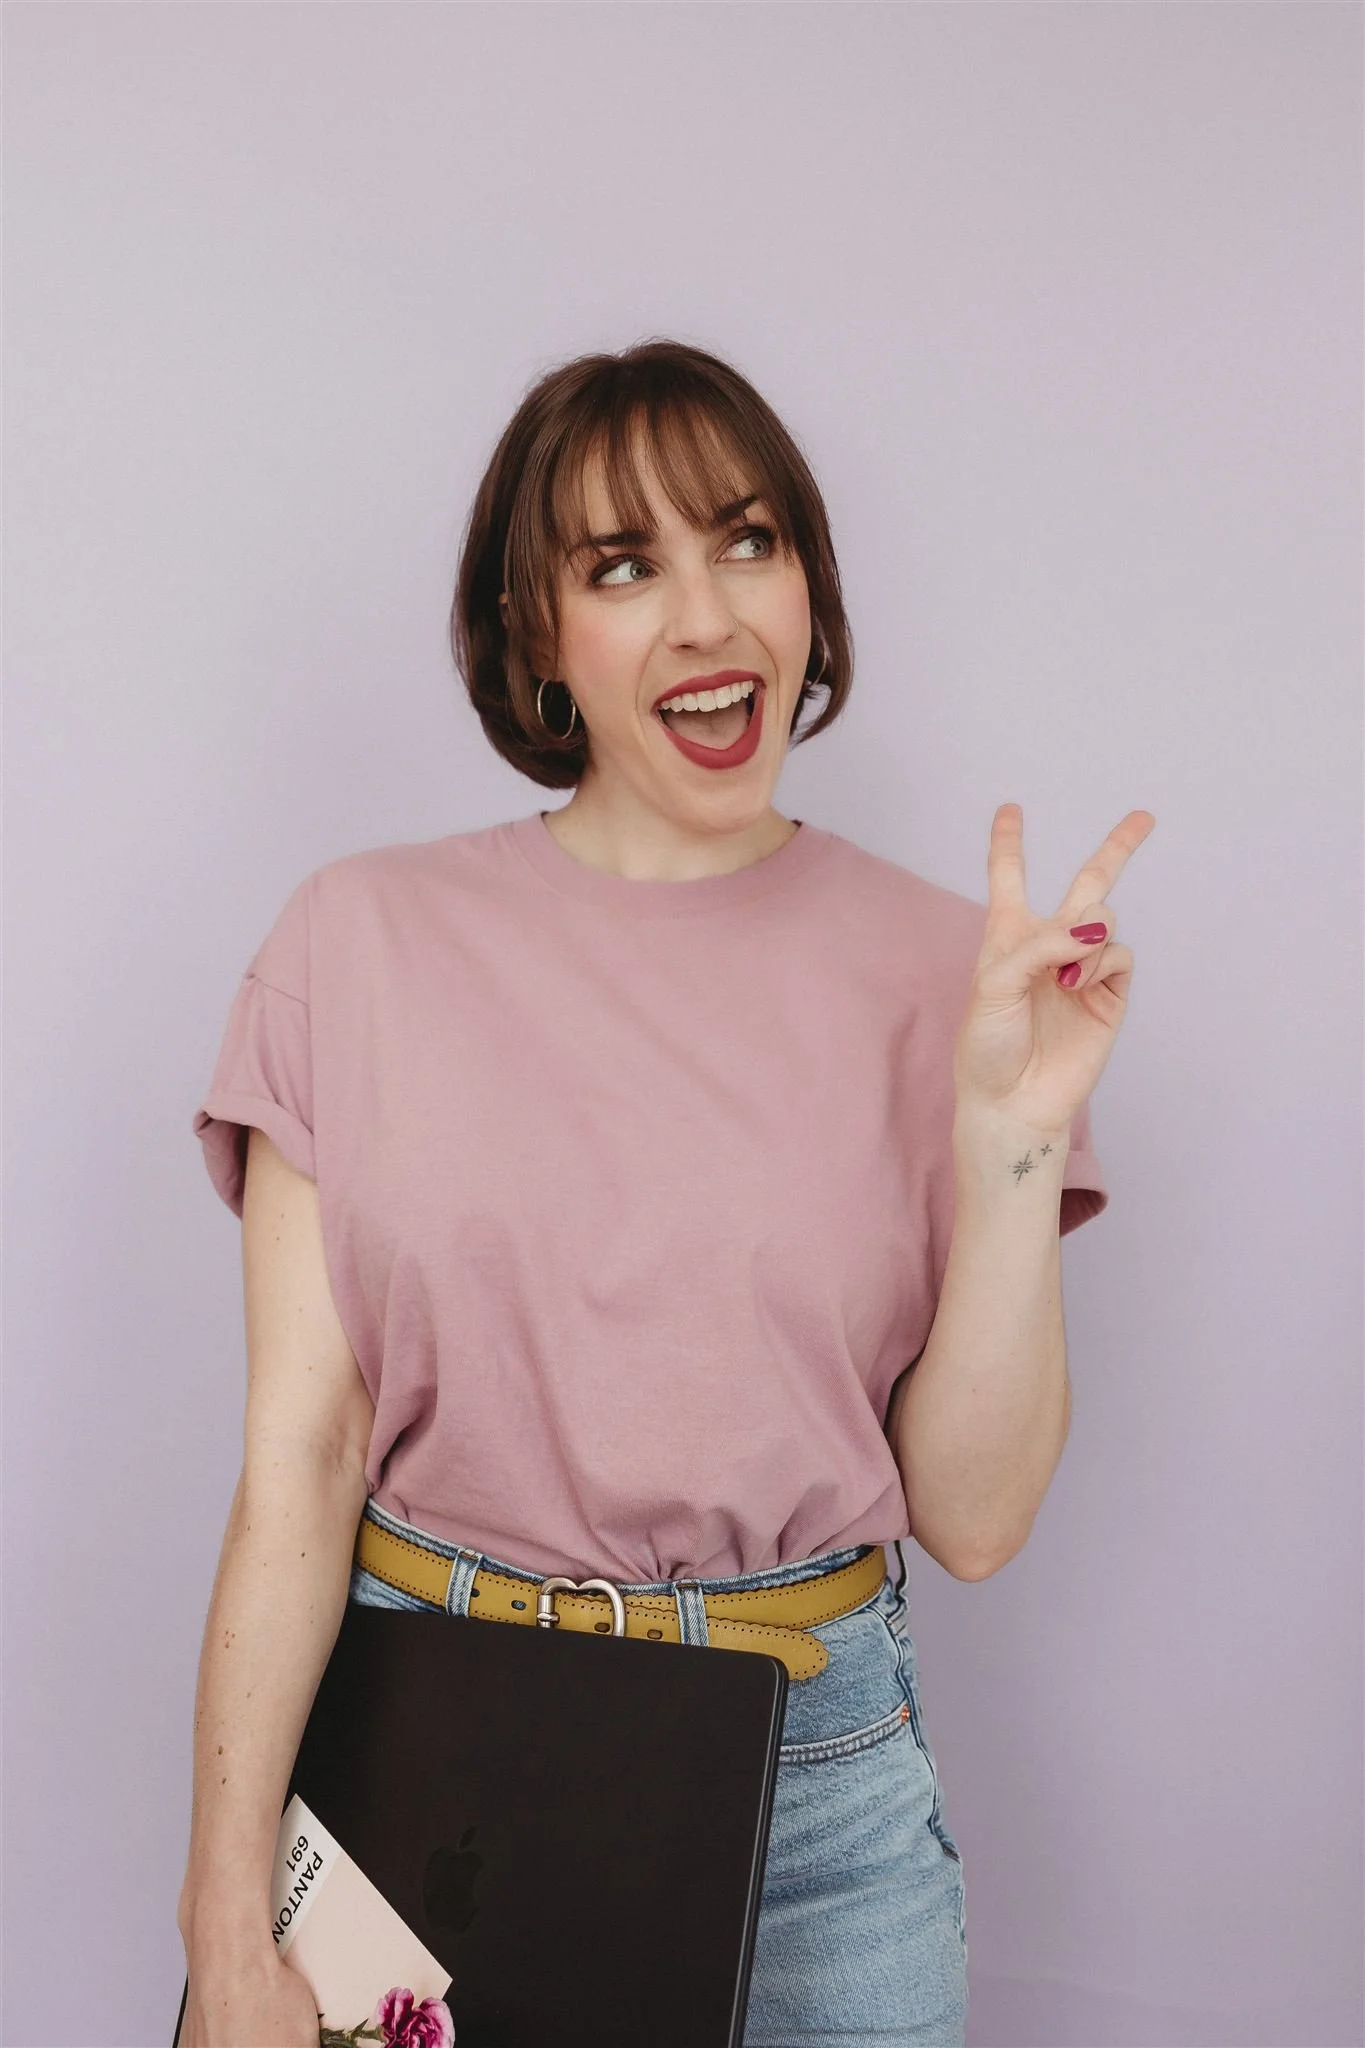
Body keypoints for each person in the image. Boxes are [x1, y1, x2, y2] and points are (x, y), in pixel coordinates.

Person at [175, 337, 1153, 2047]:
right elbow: (299, 1463)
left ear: (809, 592)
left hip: (819, 1792)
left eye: (747, 541)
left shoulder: (954, 978)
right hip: (434, 1761)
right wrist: (226, 1924)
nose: (707, 619)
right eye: (623, 568)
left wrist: (1012, 1143)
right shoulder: (358, 943)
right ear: (538, 637)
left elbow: (978, 1521)